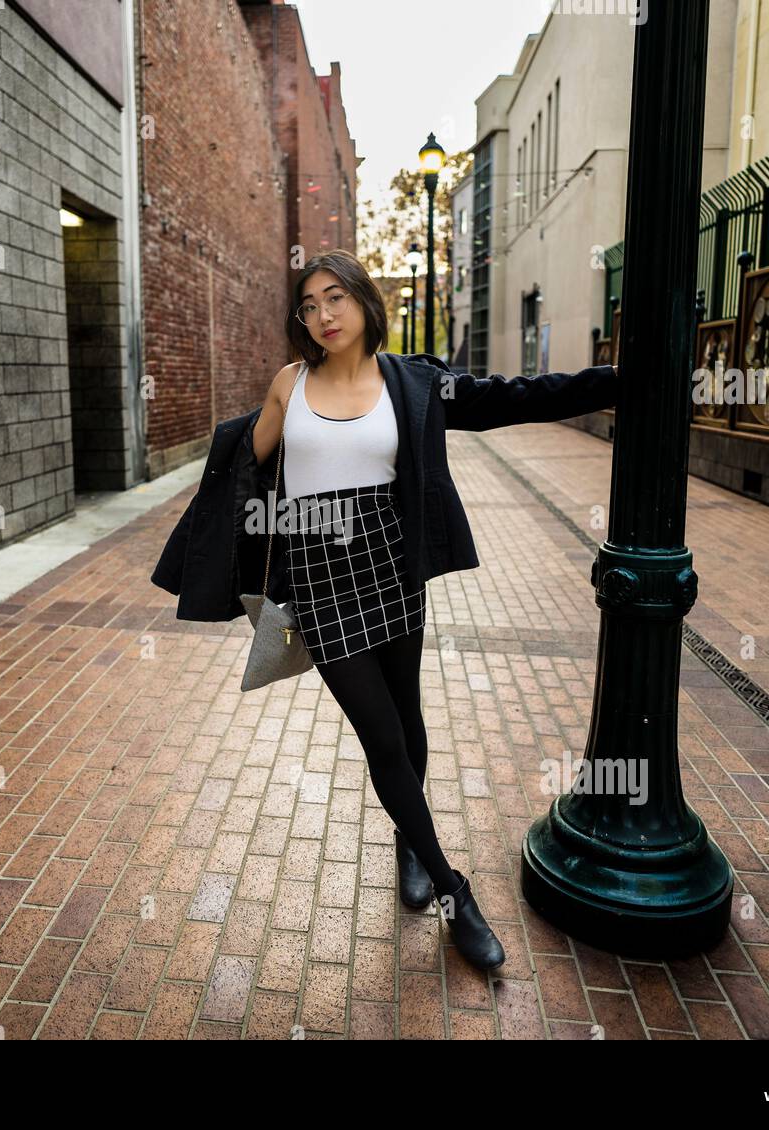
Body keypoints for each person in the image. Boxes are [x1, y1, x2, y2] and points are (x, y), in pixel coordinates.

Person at [254, 251, 511, 968]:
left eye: (335, 298)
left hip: (390, 562)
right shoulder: (288, 384)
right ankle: (455, 889)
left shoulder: (409, 380)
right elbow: (242, 465)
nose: (322, 315)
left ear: (365, 302)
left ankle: (410, 844)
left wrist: (616, 382)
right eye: (308, 305)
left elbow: (508, 398)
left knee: (407, 713)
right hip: (318, 577)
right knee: (382, 737)